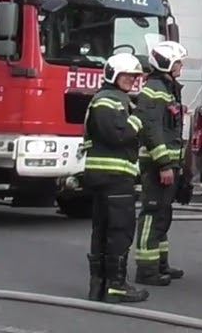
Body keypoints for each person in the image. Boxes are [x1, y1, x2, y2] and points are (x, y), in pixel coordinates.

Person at [82, 53, 149, 304]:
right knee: (119, 230)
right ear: (113, 75)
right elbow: (118, 136)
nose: (131, 80)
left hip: (105, 175)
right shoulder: (108, 101)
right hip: (114, 176)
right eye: (126, 76)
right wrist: (138, 119)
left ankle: (99, 286)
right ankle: (116, 286)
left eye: (134, 76)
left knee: (103, 230)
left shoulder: (112, 99)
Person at [132, 40, 189, 287]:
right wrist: (164, 164)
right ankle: (146, 270)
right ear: (166, 63)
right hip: (157, 164)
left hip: (168, 163)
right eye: (178, 62)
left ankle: (160, 264)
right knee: (152, 214)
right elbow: (151, 128)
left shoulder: (167, 88)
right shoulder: (155, 89)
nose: (181, 66)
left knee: (163, 214)